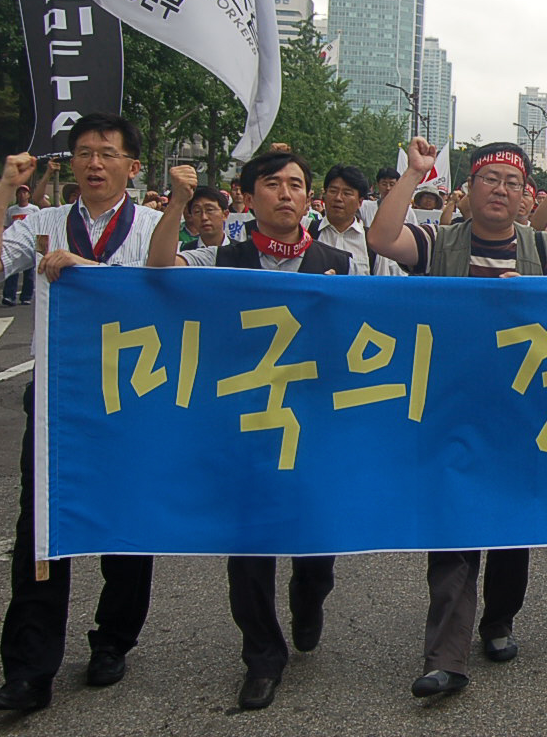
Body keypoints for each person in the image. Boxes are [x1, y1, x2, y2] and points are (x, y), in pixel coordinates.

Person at [147, 151, 356, 711]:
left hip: (314, 427)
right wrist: (180, 201)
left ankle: (309, 598)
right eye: (272, 184)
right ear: (249, 197)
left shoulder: (340, 262)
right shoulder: (222, 259)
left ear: (309, 197)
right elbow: (160, 267)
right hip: (244, 426)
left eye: (296, 185)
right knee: (249, 548)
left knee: (316, 547)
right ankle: (262, 656)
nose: (285, 194)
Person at [368, 138, 547, 698]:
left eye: (512, 182)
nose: (500, 190)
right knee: (453, 528)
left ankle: (500, 621)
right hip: (450, 409)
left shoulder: (545, 249)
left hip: (519, 411)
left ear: (525, 195)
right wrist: (413, 173)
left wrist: (532, 299)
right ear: (470, 189)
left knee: (510, 528)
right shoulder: (439, 241)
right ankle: (445, 657)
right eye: (490, 179)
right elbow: (382, 238)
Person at [0, 113, 165, 713]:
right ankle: (28, 668)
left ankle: (113, 640)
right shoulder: (40, 222)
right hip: (59, 393)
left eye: (107, 153)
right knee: (40, 525)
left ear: (132, 167)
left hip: (133, 390)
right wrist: (2, 190)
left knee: (127, 517)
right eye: (84, 153)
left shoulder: (150, 226)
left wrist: (88, 270)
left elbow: (166, 292)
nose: (94, 163)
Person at [314, 165, 398, 275]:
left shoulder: (373, 244)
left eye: (347, 193)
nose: (338, 198)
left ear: (360, 202)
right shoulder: (307, 231)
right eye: (333, 191)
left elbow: (380, 288)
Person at [2, 183, 38, 305]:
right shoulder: (11, 210)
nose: (22, 195)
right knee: (12, 271)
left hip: (29, 242)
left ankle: (26, 296)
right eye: (20, 192)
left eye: (25, 192)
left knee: (29, 272)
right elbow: (6, 226)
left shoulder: (34, 209)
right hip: (14, 242)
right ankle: (9, 296)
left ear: (28, 195)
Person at [178, 186, 230, 252]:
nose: (204, 217)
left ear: (225, 214)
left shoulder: (240, 251)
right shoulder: (185, 251)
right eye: (197, 211)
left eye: (209, 210)